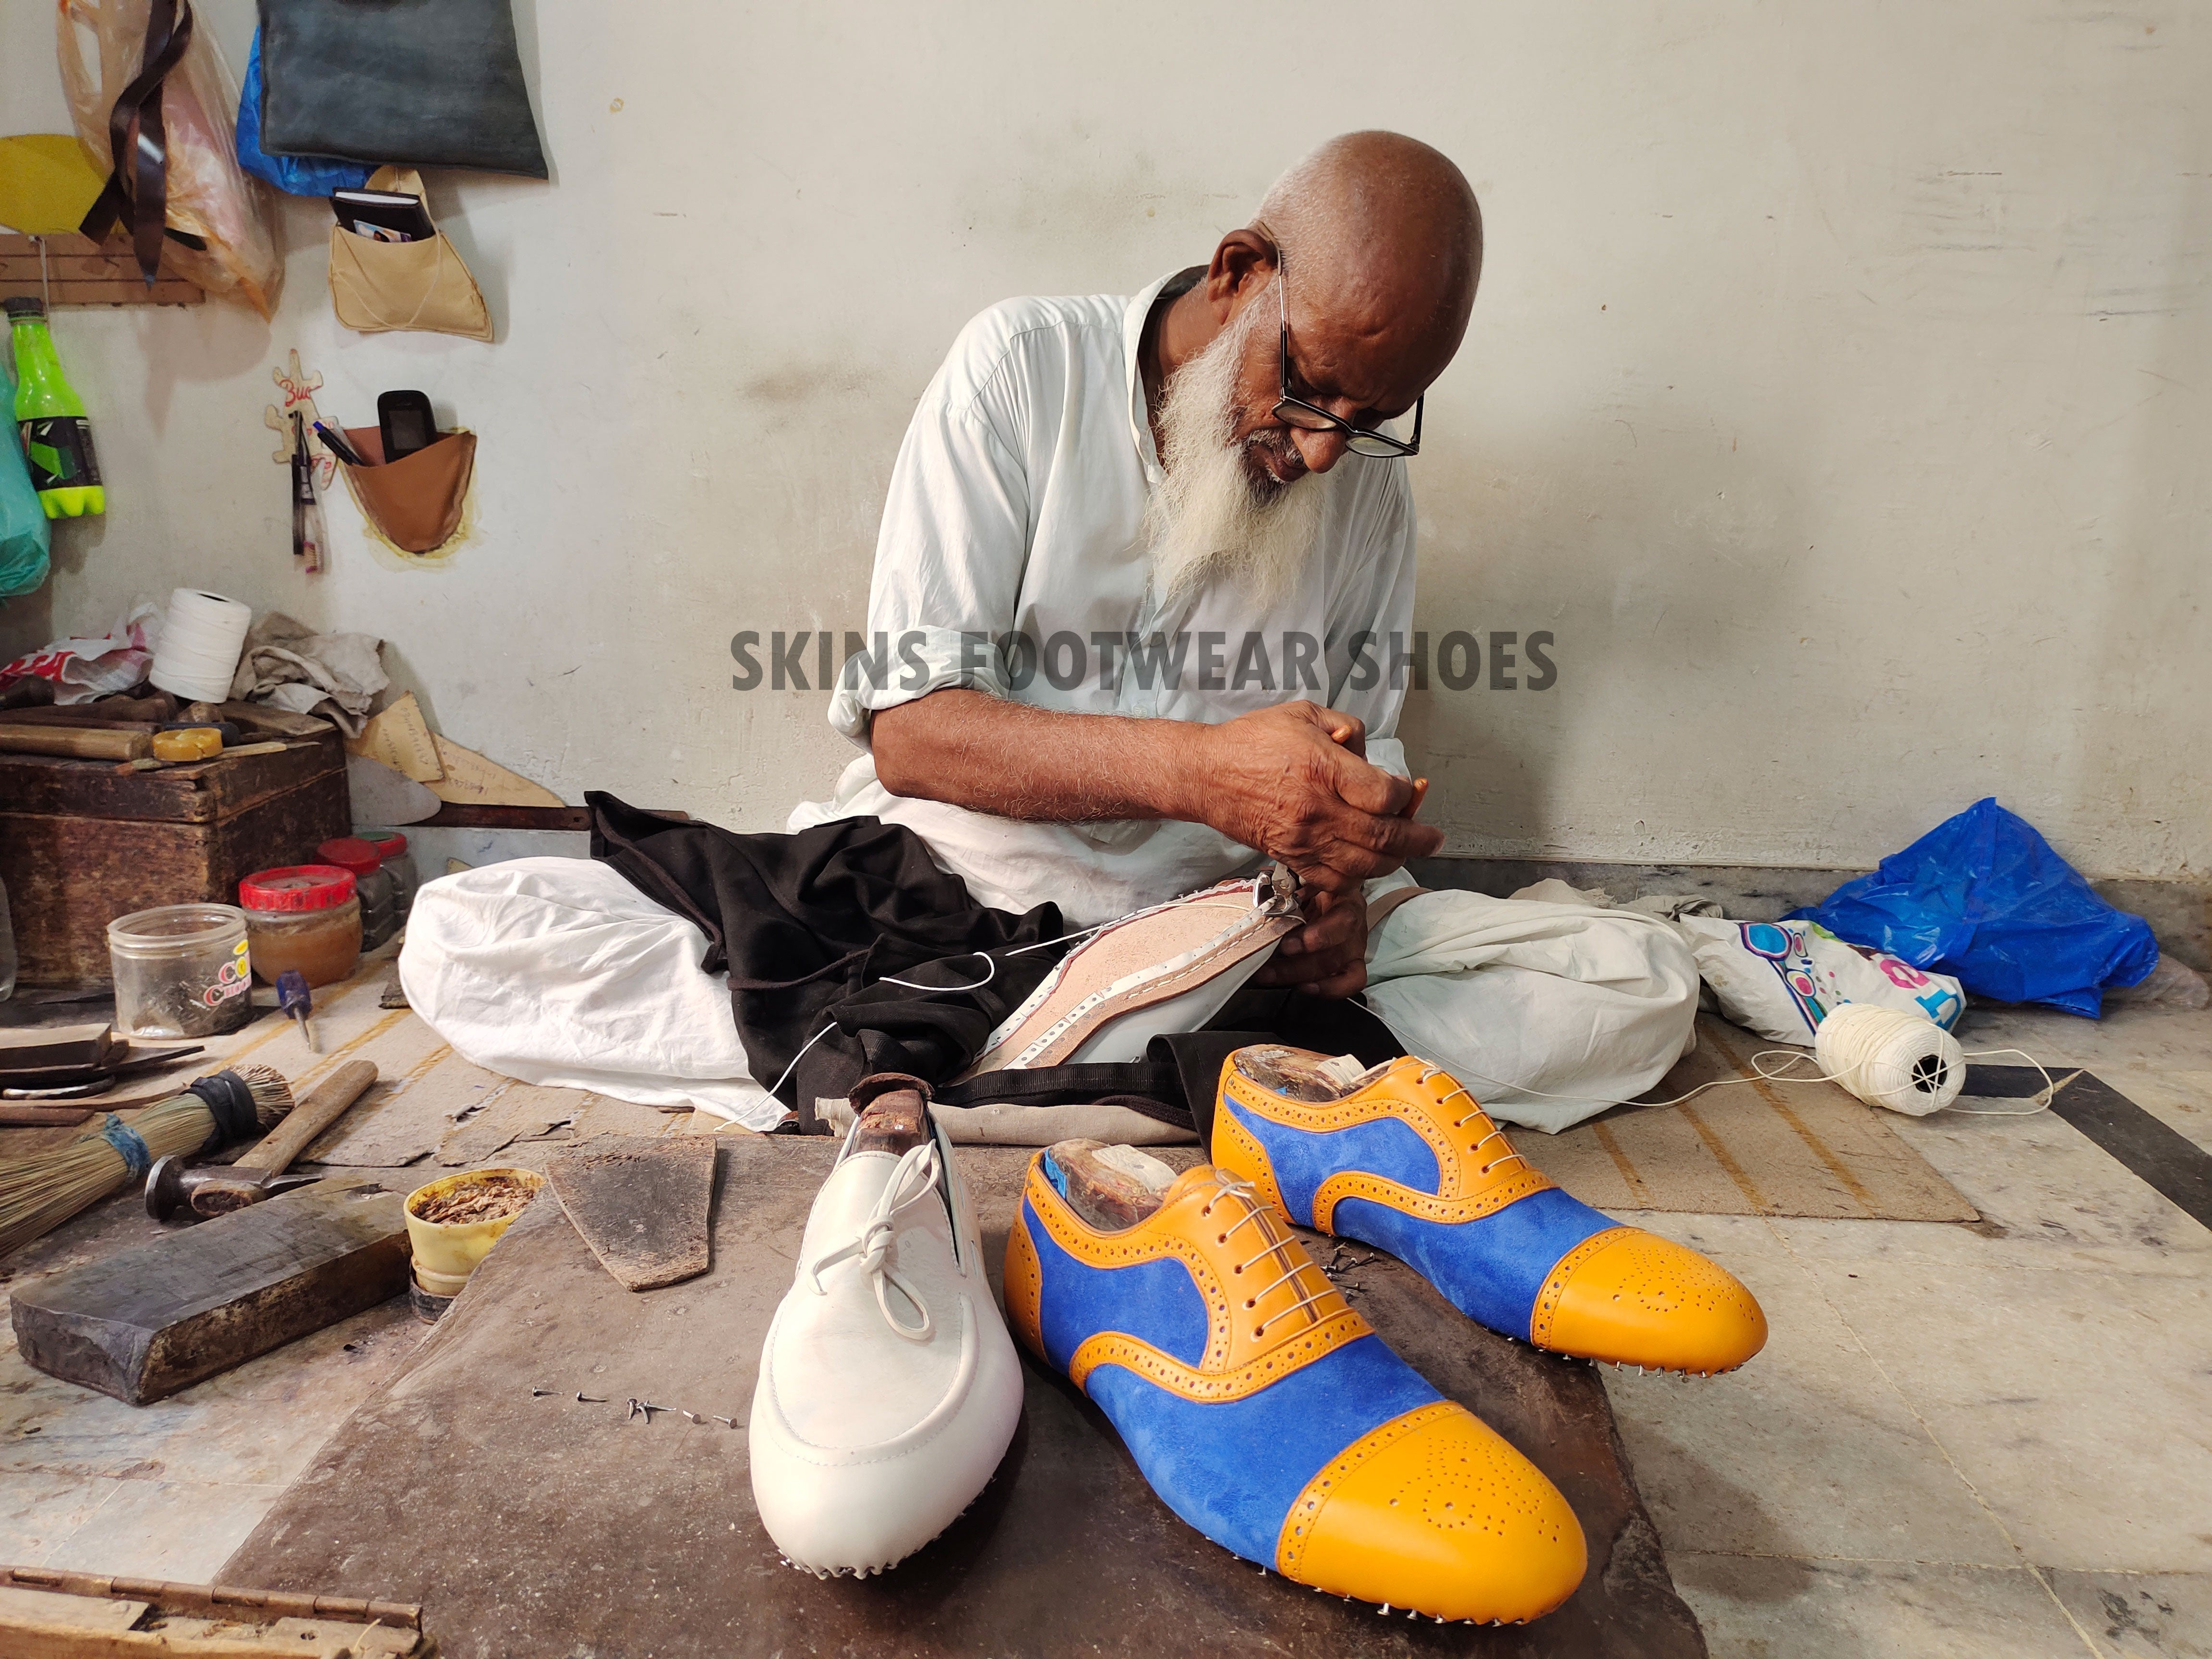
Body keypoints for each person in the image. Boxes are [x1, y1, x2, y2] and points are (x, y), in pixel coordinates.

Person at [406, 132, 1698, 1132]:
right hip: (952, 898)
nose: (1321, 451)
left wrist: (1335, 898)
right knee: (471, 936)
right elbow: (915, 734)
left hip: (1213, 933)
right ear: (1240, 271)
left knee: (1636, 985)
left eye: (1370, 419)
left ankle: (970, 1069)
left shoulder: (1366, 491)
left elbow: (1354, 779)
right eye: (1307, 390)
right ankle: (1114, 1075)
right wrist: (1205, 775)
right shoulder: (1019, 371)